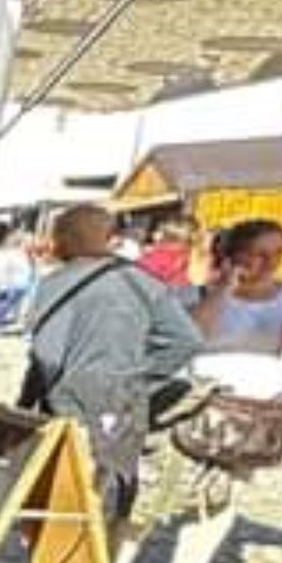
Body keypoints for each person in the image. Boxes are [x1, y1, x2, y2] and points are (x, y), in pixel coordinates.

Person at [20, 203, 201, 537]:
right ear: (110, 239)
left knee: (64, 493)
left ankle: (59, 554)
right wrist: (138, 378)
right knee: (115, 489)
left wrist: (24, 406)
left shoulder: (54, 284)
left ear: (62, 239)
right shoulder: (144, 283)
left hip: (68, 402)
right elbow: (186, 341)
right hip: (123, 402)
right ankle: (107, 554)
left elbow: (47, 355)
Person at [161, 219, 282, 563]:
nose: (270, 262)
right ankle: (117, 561)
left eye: (278, 253)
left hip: (258, 410)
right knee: (169, 487)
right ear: (234, 254)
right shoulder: (194, 294)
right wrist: (225, 288)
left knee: (228, 490)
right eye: (259, 254)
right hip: (199, 403)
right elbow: (194, 336)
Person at [0, 227, 37, 332]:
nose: (31, 243)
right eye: (29, 241)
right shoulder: (13, 251)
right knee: (3, 300)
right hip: (13, 281)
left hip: (20, 281)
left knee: (3, 300)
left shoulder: (23, 252)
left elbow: (30, 266)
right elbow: (9, 266)